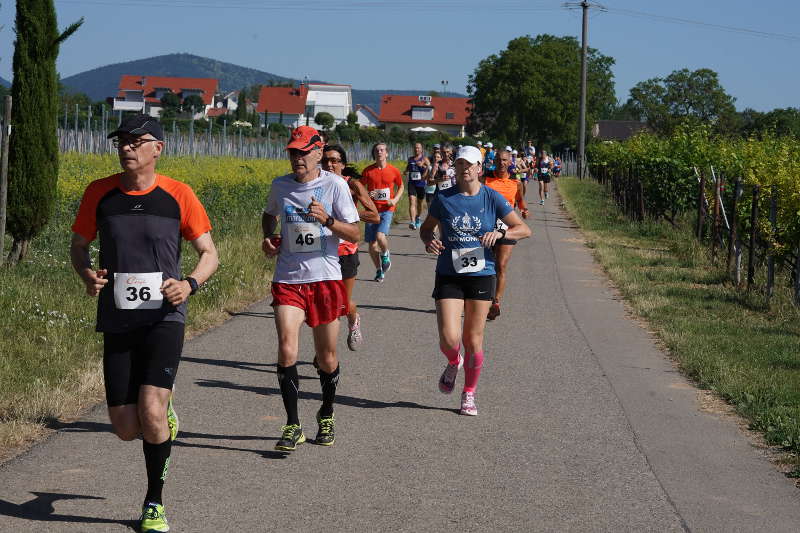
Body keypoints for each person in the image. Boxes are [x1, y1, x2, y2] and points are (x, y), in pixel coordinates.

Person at [70, 114, 219, 533]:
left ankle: (154, 503)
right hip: (118, 318)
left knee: (151, 411)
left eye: (136, 141)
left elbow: (210, 254)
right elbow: (79, 246)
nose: (127, 148)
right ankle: (162, 418)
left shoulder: (177, 195)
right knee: (123, 427)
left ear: (158, 148)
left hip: (164, 317)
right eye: (121, 141)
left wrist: (189, 284)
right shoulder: (99, 194)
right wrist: (86, 274)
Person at [261, 126, 360, 451]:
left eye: (303, 152)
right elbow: (269, 214)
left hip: (325, 280)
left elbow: (355, 234)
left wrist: (328, 221)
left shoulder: (335, 186)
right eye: (293, 152)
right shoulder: (280, 185)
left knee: (326, 357)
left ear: (319, 152)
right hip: (288, 280)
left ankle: (326, 412)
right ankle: (292, 425)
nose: (297, 158)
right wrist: (268, 236)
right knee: (287, 348)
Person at [419, 146, 530, 416]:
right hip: (449, 272)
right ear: (454, 167)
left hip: (482, 273)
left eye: (470, 164)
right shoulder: (444, 198)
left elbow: (524, 229)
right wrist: (428, 240)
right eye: (460, 164)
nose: (465, 168)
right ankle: (452, 360)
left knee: (473, 339)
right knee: (448, 338)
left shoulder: (492, 197)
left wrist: (499, 234)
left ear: (480, 168)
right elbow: (426, 227)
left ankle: (468, 394)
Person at [321, 144, 380, 350]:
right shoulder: (314, 184)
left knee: (342, 304)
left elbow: (374, 215)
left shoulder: (352, 184)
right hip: (320, 251)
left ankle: (353, 319)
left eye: (334, 161)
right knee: (322, 305)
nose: (329, 164)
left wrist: (346, 215)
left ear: (342, 164)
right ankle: (325, 353)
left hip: (345, 251)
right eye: (325, 160)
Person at [483, 149, 530, 320]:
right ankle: (480, 299)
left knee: (501, 265)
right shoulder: (486, 179)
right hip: (486, 226)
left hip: (506, 228)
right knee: (485, 265)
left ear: (510, 162)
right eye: (498, 159)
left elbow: (520, 200)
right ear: (494, 161)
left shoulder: (515, 183)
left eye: (504, 160)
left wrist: (524, 210)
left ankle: (495, 302)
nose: (501, 163)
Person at [360, 142, 404, 282]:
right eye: (377, 150)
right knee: (372, 244)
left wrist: (395, 200)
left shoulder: (393, 170)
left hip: (387, 209)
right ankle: (379, 270)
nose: (379, 152)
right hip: (372, 211)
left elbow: (401, 186)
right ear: (374, 153)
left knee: (380, 236)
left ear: (387, 153)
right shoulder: (368, 171)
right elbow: (360, 189)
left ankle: (385, 253)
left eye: (382, 150)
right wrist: (368, 194)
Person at [405, 142, 430, 229]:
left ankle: (418, 217)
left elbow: (430, 169)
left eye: (418, 148)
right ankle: (412, 222)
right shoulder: (410, 159)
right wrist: (405, 171)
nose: (416, 149)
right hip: (412, 183)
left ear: (421, 149)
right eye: (415, 148)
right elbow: (408, 167)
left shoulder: (425, 159)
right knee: (412, 201)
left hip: (421, 183)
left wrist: (423, 166)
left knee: (420, 203)